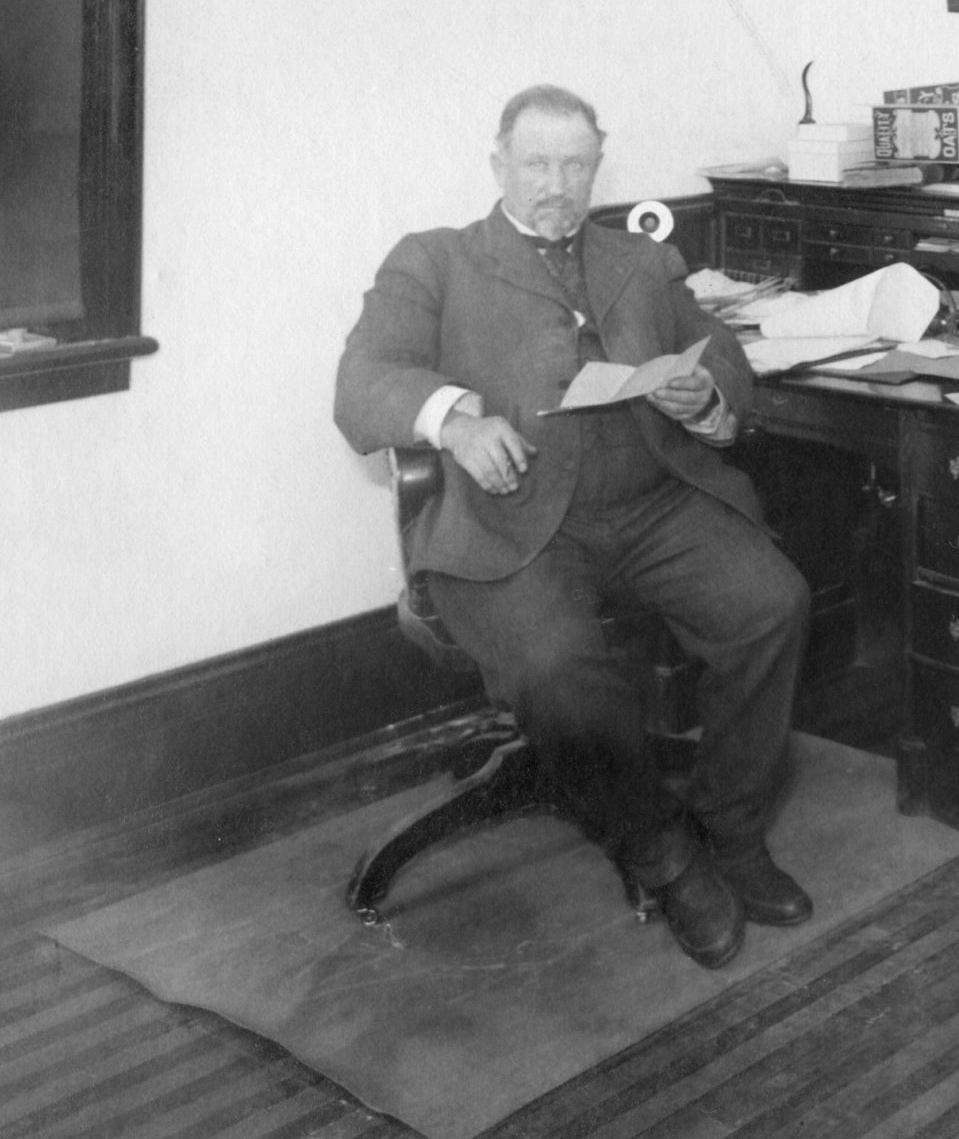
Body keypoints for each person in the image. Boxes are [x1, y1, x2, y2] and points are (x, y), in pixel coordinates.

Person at [334, 85, 812, 970]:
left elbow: (721, 352)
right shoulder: (435, 260)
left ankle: (732, 833)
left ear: (599, 166)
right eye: (536, 164)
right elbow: (362, 383)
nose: (556, 184)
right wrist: (457, 423)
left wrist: (705, 392)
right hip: (512, 525)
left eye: (575, 165)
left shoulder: (642, 259)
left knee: (771, 605)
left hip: (651, 502)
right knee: (558, 669)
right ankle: (662, 851)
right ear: (499, 165)